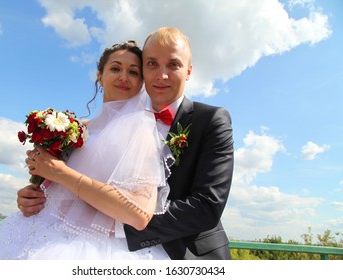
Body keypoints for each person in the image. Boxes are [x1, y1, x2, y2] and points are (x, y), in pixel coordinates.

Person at [18, 27, 234, 260]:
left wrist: (116, 221)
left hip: (186, 253)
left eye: (173, 65)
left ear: (189, 71)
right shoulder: (106, 125)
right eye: (151, 64)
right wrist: (35, 199)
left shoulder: (211, 119)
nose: (161, 75)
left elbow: (206, 206)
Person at [0, 40, 171, 260]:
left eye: (133, 72)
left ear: (141, 83)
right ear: (99, 76)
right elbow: (57, 186)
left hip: (87, 248)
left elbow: (138, 214)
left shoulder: (142, 131)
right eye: (115, 68)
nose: (123, 77)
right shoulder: (78, 128)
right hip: (37, 228)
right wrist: (31, 196)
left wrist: (60, 172)